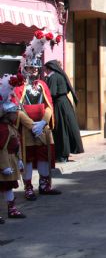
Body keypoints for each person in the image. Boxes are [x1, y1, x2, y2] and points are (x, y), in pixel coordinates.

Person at [12, 51, 60, 199]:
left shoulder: (42, 85)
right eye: (30, 68)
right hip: (26, 130)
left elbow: (49, 105)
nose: (34, 71)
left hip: (42, 128)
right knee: (27, 158)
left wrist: (43, 122)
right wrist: (31, 125)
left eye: (36, 68)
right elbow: (15, 108)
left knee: (43, 156)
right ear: (24, 68)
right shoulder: (19, 87)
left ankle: (45, 185)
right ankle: (28, 187)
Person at [43, 60, 84, 162]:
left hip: (59, 105)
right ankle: (65, 154)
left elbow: (51, 93)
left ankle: (62, 155)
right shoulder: (61, 75)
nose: (45, 71)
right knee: (66, 128)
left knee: (60, 130)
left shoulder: (53, 77)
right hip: (65, 103)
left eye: (46, 69)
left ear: (49, 68)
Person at [0, 101, 26, 221]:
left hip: (12, 160)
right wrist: (3, 166)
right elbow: (1, 149)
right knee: (2, 187)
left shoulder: (11, 126)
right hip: (5, 162)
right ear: (7, 115)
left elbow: (17, 144)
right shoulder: (3, 129)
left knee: (9, 186)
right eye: (13, 113)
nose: (16, 115)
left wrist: (19, 159)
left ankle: (12, 209)